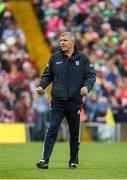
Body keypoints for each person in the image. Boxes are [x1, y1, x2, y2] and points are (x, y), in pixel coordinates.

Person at [36, 32, 96, 169]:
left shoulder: (82, 59)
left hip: (74, 102)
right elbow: (47, 75)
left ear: (72, 42)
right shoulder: (54, 58)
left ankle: (73, 161)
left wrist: (87, 87)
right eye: (61, 40)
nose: (62, 42)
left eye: (65, 40)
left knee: (74, 132)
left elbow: (91, 75)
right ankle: (44, 160)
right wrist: (41, 86)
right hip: (57, 101)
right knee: (52, 129)